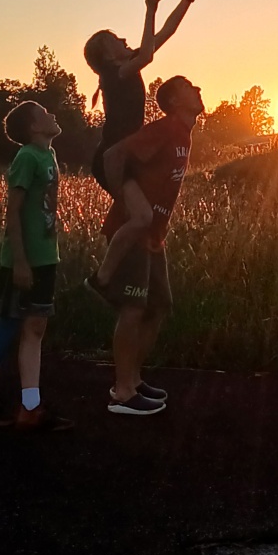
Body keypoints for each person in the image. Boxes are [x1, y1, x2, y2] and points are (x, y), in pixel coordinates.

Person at [83, 0, 216, 293]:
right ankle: (101, 279)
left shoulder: (126, 65)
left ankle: (129, 280)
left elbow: (165, 33)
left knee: (143, 219)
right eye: (116, 39)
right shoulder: (114, 74)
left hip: (129, 159)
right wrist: (149, 10)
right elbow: (147, 55)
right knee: (141, 218)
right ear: (107, 55)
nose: (123, 39)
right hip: (112, 159)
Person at [88, 75, 204, 416]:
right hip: (133, 232)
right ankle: (122, 392)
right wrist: (126, 200)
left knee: (157, 307)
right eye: (189, 88)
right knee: (134, 308)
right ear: (174, 102)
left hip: (153, 236)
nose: (198, 90)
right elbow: (112, 155)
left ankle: (134, 379)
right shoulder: (165, 129)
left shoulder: (183, 133)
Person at [0, 101, 73, 432]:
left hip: (46, 258)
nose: (53, 114)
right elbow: (13, 212)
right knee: (9, 325)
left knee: (35, 329)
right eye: (44, 113)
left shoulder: (48, 155)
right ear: (33, 127)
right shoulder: (26, 157)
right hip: (23, 261)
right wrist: (20, 262)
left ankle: (30, 407)